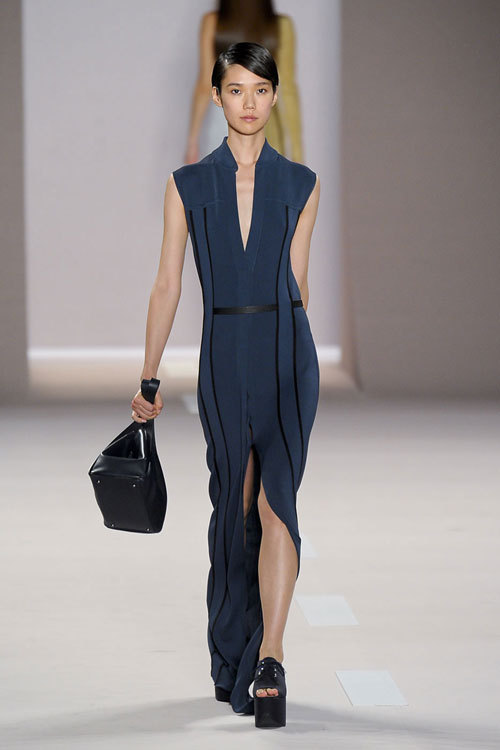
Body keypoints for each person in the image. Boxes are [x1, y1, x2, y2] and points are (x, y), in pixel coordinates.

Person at [131, 42, 320, 728]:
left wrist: (298, 358)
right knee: (233, 509)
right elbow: (168, 283)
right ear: (216, 97)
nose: (248, 102)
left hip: (286, 354)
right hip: (223, 359)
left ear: (274, 97)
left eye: (260, 90)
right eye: (235, 89)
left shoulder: (301, 183)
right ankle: (232, 648)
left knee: (276, 504)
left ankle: (270, 658)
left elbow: (300, 284)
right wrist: (149, 375)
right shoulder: (187, 184)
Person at [185, 2, 304, 164]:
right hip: (264, 121)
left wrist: (192, 141)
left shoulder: (213, 22)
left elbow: (205, 85)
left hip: (223, 119)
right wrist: (296, 151)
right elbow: (287, 90)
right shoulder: (280, 26)